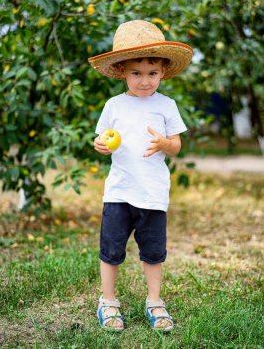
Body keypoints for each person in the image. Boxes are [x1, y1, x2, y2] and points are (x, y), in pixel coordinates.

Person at [88, 20, 193, 331]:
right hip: (119, 191)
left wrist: (164, 143)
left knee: (153, 251)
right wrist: (100, 146)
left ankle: (154, 300)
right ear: (122, 71)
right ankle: (108, 301)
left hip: (152, 192)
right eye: (137, 73)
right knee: (111, 248)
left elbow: (176, 145)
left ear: (162, 72)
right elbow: (101, 139)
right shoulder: (114, 105)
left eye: (152, 73)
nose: (145, 81)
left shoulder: (166, 105)